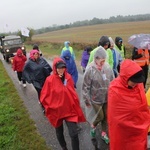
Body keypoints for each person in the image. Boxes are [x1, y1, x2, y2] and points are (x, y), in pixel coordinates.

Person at [40, 57, 86, 150]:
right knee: (59, 132)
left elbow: (72, 92)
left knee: (74, 134)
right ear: (55, 68)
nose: (61, 70)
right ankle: (64, 147)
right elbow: (44, 96)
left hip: (69, 110)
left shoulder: (68, 77)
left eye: (63, 67)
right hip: (57, 111)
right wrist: (47, 107)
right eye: (59, 68)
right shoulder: (49, 80)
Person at [108, 59, 150, 150]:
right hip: (123, 132)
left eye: (137, 81)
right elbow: (116, 118)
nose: (136, 83)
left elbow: (143, 105)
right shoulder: (115, 89)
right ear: (125, 77)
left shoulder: (138, 85)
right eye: (134, 81)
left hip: (138, 129)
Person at [82, 47, 114, 148]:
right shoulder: (90, 70)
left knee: (106, 117)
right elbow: (85, 86)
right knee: (100, 116)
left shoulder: (107, 67)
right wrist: (86, 99)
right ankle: (93, 126)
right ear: (96, 58)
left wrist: (113, 95)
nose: (103, 62)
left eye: (104, 60)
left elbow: (112, 81)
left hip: (106, 97)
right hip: (95, 99)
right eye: (101, 60)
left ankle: (104, 133)